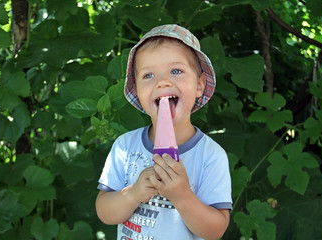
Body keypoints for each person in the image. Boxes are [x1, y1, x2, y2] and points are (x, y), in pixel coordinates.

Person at [96, 24, 232, 240]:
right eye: (148, 75)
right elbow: (104, 211)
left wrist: (183, 196)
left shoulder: (211, 156)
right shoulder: (124, 147)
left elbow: (215, 230)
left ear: (199, 85)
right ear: (137, 92)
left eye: (176, 71)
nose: (162, 82)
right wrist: (133, 193)